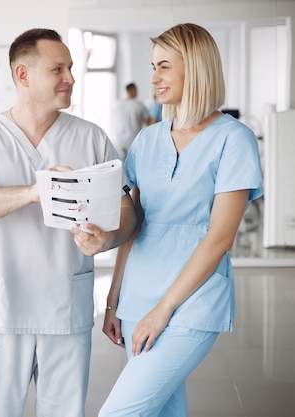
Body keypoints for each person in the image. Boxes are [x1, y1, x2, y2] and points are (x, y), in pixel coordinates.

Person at [0, 28, 136, 417]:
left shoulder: (91, 137)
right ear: (23, 74)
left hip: (64, 308)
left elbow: (129, 212)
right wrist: (36, 191)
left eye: (70, 68)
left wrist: (108, 237)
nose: (70, 78)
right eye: (58, 69)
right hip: (0, 309)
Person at [99, 23, 263, 417]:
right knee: (162, 410)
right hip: (139, 295)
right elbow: (134, 223)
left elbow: (220, 238)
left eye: (164, 67)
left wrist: (163, 309)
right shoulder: (148, 139)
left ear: (197, 68)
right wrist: (112, 299)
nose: (153, 78)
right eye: (152, 66)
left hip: (192, 301)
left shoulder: (233, 139)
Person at [112, 82, 151, 161]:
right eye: (136, 90)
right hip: (133, 139)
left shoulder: (118, 104)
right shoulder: (139, 104)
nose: (137, 92)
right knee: (134, 163)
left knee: (120, 165)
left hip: (119, 140)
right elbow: (147, 121)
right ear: (132, 90)